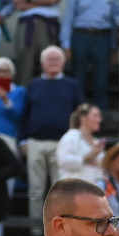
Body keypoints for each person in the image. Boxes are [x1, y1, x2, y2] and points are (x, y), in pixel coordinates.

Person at [19, 45, 84, 222]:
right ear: (42, 64)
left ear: (63, 63)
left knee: (60, 190)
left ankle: (58, 229)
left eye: (57, 59)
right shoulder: (33, 85)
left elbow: (81, 115)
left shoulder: (72, 85)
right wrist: (23, 141)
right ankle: (34, 229)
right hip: (35, 143)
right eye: (50, 59)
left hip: (62, 144)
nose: (53, 63)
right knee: (35, 189)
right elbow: (25, 115)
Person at [60, 0, 119, 118]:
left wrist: (114, 47)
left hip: (103, 38)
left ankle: (100, 115)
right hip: (81, 36)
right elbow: (68, 20)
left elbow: (115, 23)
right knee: (79, 77)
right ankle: (80, 114)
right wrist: (66, 45)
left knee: (102, 79)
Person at [57, 103, 107, 185]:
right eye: (95, 116)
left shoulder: (96, 141)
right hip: (73, 191)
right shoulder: (72, 136)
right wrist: (87, 157)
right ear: (83, 118)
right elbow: (63, 162)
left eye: (99, 116)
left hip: (93, 191)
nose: (99, 120)